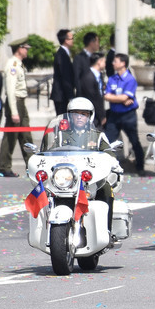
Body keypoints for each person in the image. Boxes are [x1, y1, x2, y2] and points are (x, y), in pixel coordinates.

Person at [58, 97, 116, 229]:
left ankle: (106, 228)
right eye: (76, 114)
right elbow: (51, 154)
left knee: (106, 189)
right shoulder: (61, 136)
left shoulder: (97, 135)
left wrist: (112, 161)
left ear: (89, 116)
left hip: (91, 178)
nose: (79, 117)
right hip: (69, 177)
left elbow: (109, 153)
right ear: (70, 116)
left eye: (83, 114)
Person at [104, 53, 145, 175]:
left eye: (115, 61)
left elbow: (125, 96)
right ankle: (107, 167)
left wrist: (117, 97)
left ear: (122, 63)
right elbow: (107, 96)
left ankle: (140, 166)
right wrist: (120, 98)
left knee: (134, 140)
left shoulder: (130, 79)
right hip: (114, 115)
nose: (113, 63)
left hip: (128, 115)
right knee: (108, 141)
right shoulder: (112, 79)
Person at [0, 37, 34, 177]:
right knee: (11, 135)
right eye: (26, 48)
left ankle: (32, 166)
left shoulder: (18, 64)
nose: (27, 51)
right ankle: (4, 167)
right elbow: (11, 91)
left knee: (26, 136)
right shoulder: (12, 65)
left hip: (20, 102)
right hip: (16, 102)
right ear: (19, 48)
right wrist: (14, 111)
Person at [78, 52, 107, 129]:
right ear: (99, 62)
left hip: (98, 116)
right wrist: (101, 116)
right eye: (104, 61)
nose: (105, 64)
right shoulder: (88, 77)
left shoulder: (99, 75)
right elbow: (93, 98)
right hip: (91, 116)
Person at [51, 29, 75, 115]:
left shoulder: (65, 53)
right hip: (61, 95)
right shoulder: (61, 54)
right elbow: (65, 76)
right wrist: (70, 96)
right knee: (63, 122)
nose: (73, 40)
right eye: (72, 38)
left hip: (63, 95)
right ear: (66, 40)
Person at [74, 32, 99, 96]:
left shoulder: (97, 57)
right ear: (91, 43)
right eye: (97, 41)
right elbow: (77, 78)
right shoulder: (79, 58)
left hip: (95, 96)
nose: (98, 44)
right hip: (84, 96)